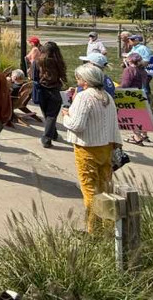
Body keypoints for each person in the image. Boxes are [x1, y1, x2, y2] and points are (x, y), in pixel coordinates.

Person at [61, 64, 122, 232]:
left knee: (89, 188)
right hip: (106, 146)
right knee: (104, 187)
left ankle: (93, 229)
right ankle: (108, 226)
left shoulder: (84, 97)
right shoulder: (107, 97)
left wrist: (66, 116)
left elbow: (77, 125)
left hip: (87, 147)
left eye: (79, 78)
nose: (77, 80)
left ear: (86, 81)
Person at [33, 41, 67, 148]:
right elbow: (62, 76)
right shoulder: (59, 62)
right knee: (51, 116)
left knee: (47, 116)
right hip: (54, 91)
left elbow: (34, 78)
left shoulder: (37, 62)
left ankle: (48, 137)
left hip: (41, 91)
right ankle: (49, 136)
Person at [120, 53, 152, 146]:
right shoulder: (143, 71)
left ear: (129, 60)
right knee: (142, 116)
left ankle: (137, 137)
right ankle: (144, 134)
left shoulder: (129, 70)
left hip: (132, 95)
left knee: (133, 117)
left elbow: (125, 85)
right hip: (142, 94)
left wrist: (118, 90)